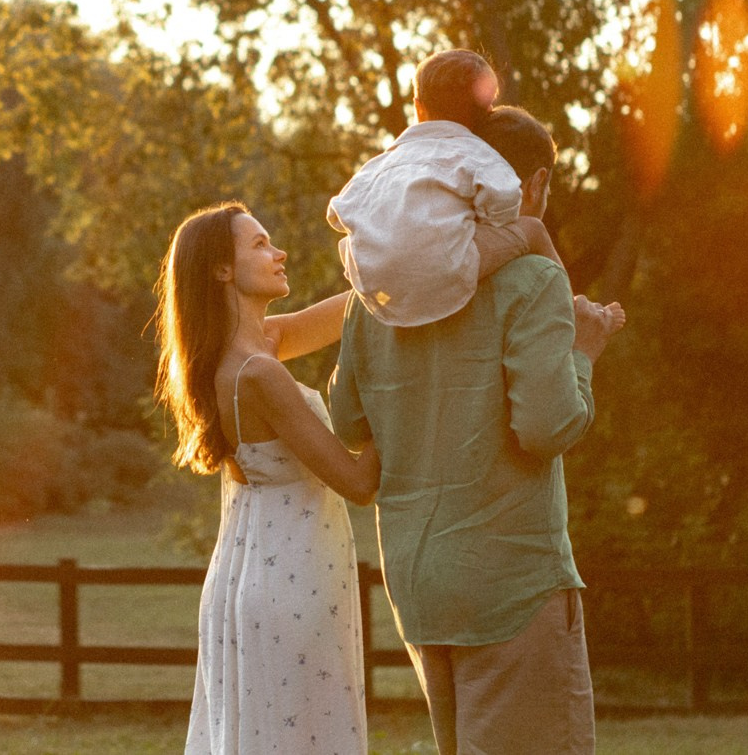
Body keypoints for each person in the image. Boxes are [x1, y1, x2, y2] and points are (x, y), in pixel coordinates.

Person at [330, 106, 624, 755]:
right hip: (510, 582)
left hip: (418, 585)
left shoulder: (372, 300)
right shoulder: (534, 281)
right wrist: (585, 349)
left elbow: (348, 420)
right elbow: (548, 427)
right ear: (537, 182)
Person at [155, 201, 381, 755]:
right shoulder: (258, 374)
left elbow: (355, 309)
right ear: (221, 269)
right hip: (292, 586)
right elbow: (357, 482)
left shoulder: (243, 353)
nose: (278, 252)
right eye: (258, 244)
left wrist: (413, 274)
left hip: (249, 578)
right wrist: (396, 400)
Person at [327, 50, 558, 328]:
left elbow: (337, 213)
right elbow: (508, 197)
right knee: (533, 229)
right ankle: (572, 309)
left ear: (418, 107)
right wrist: (491, 223)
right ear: (486, 110)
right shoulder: (477, 153)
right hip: (444, 273)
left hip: (376, 287)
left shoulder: (381, 163)